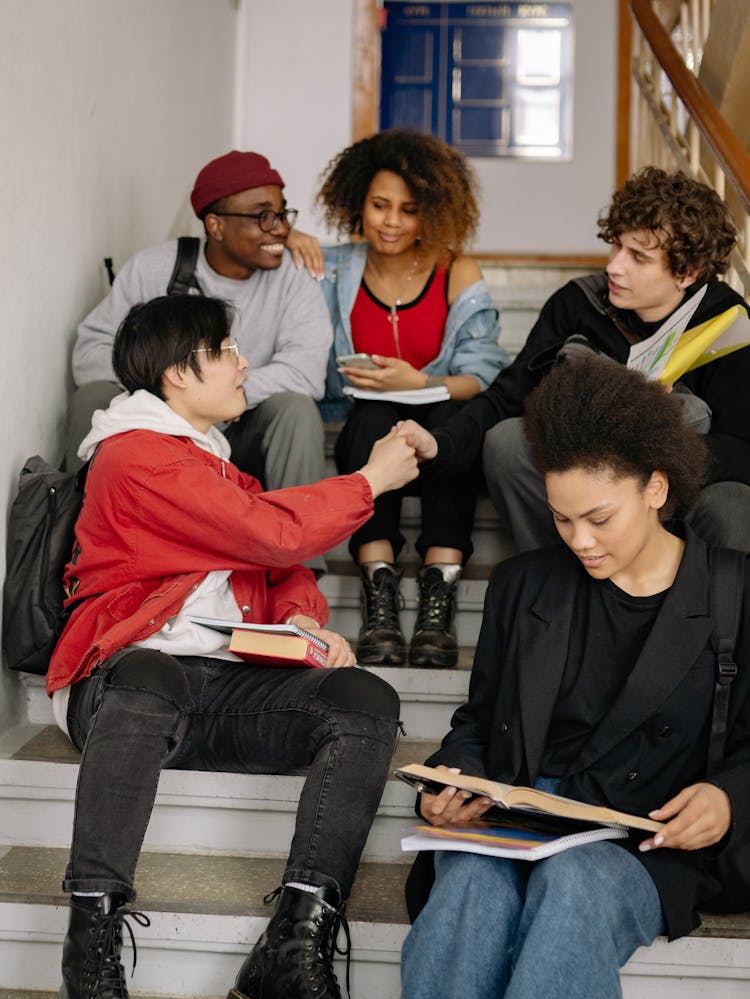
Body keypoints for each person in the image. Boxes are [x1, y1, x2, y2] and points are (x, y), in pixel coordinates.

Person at [47, 293, 420, 999]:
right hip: (124, 687)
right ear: (180, 373)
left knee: (364, 699)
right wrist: (366, 479)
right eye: (226, 349)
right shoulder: (135, 455)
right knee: (152, 671)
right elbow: (273, 531)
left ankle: (291, 953)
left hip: (217, 690)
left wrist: (303, 622)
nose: (243, 360)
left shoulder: (211, 456)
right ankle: (90, 952)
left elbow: (280, 566)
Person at [390, 351, 750, 999]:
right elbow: (479, 723)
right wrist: (456, 778)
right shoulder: (526, 585)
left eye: (599, 518)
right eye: (561, 517)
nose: (579, 540)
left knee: (575, 887)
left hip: (643, 837)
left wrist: (729, 794)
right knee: (468, 888)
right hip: (522, 815)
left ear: (656, 487)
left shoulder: (733, 590)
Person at [396, 166, 750, 555]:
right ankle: (562, 584)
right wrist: (441, 443)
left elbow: (740, 449)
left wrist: (650, 442)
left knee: (731, 503)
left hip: (664, 490)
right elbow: (506, 396)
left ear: (687, 272)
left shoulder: (728, 327)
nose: (614, 266)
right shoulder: (577, 303)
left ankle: (690, 609)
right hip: (579, 483)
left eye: (638, 257)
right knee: (506, 441)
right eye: (617, 246)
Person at [68, 150, 330, 561]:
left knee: (296, 410)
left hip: (244, 425)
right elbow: (91, 351)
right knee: (92, 397)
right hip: (159, 436)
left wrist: (221, 396)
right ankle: (76, 557)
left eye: (283, 214)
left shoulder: (295, 276)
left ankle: (298, 570)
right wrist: (172, 402)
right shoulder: (156, 268)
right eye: (263, 216)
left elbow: (307, 372)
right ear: (216, 225)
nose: (280, 229)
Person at [317, 129, 505, 668]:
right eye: (380, 206)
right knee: (371, 420)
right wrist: (297, 242)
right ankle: (379, 590)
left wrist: (417, 384)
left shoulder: (457, 272)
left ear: (436, 212)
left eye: (409, 209)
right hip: (364, 413)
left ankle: (437, 592)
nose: (392, 222)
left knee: (453, 423)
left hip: (442, 408)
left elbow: (485, 373)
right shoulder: (334, 268)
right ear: (358, 203)